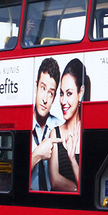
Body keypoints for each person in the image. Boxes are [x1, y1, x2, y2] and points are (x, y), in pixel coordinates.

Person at [48, 58, 84, 192]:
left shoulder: (88, 132)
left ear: (80, 93)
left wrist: (72, 159)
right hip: (59, 207)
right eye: (61, 94)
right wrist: (78, 189)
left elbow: (90, 184)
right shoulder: (55, 133)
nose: (63, 101)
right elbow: (55, 181)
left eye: (69, 94)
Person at [30, 57, 62, 191]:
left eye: (50, 93)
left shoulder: (61, 127)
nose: (45, 99)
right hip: (25, 203)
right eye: (43, 88)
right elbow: (13, 176)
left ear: (54, 97)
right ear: (36, 86)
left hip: (53, 205)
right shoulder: (21, 125)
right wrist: (37, 155)